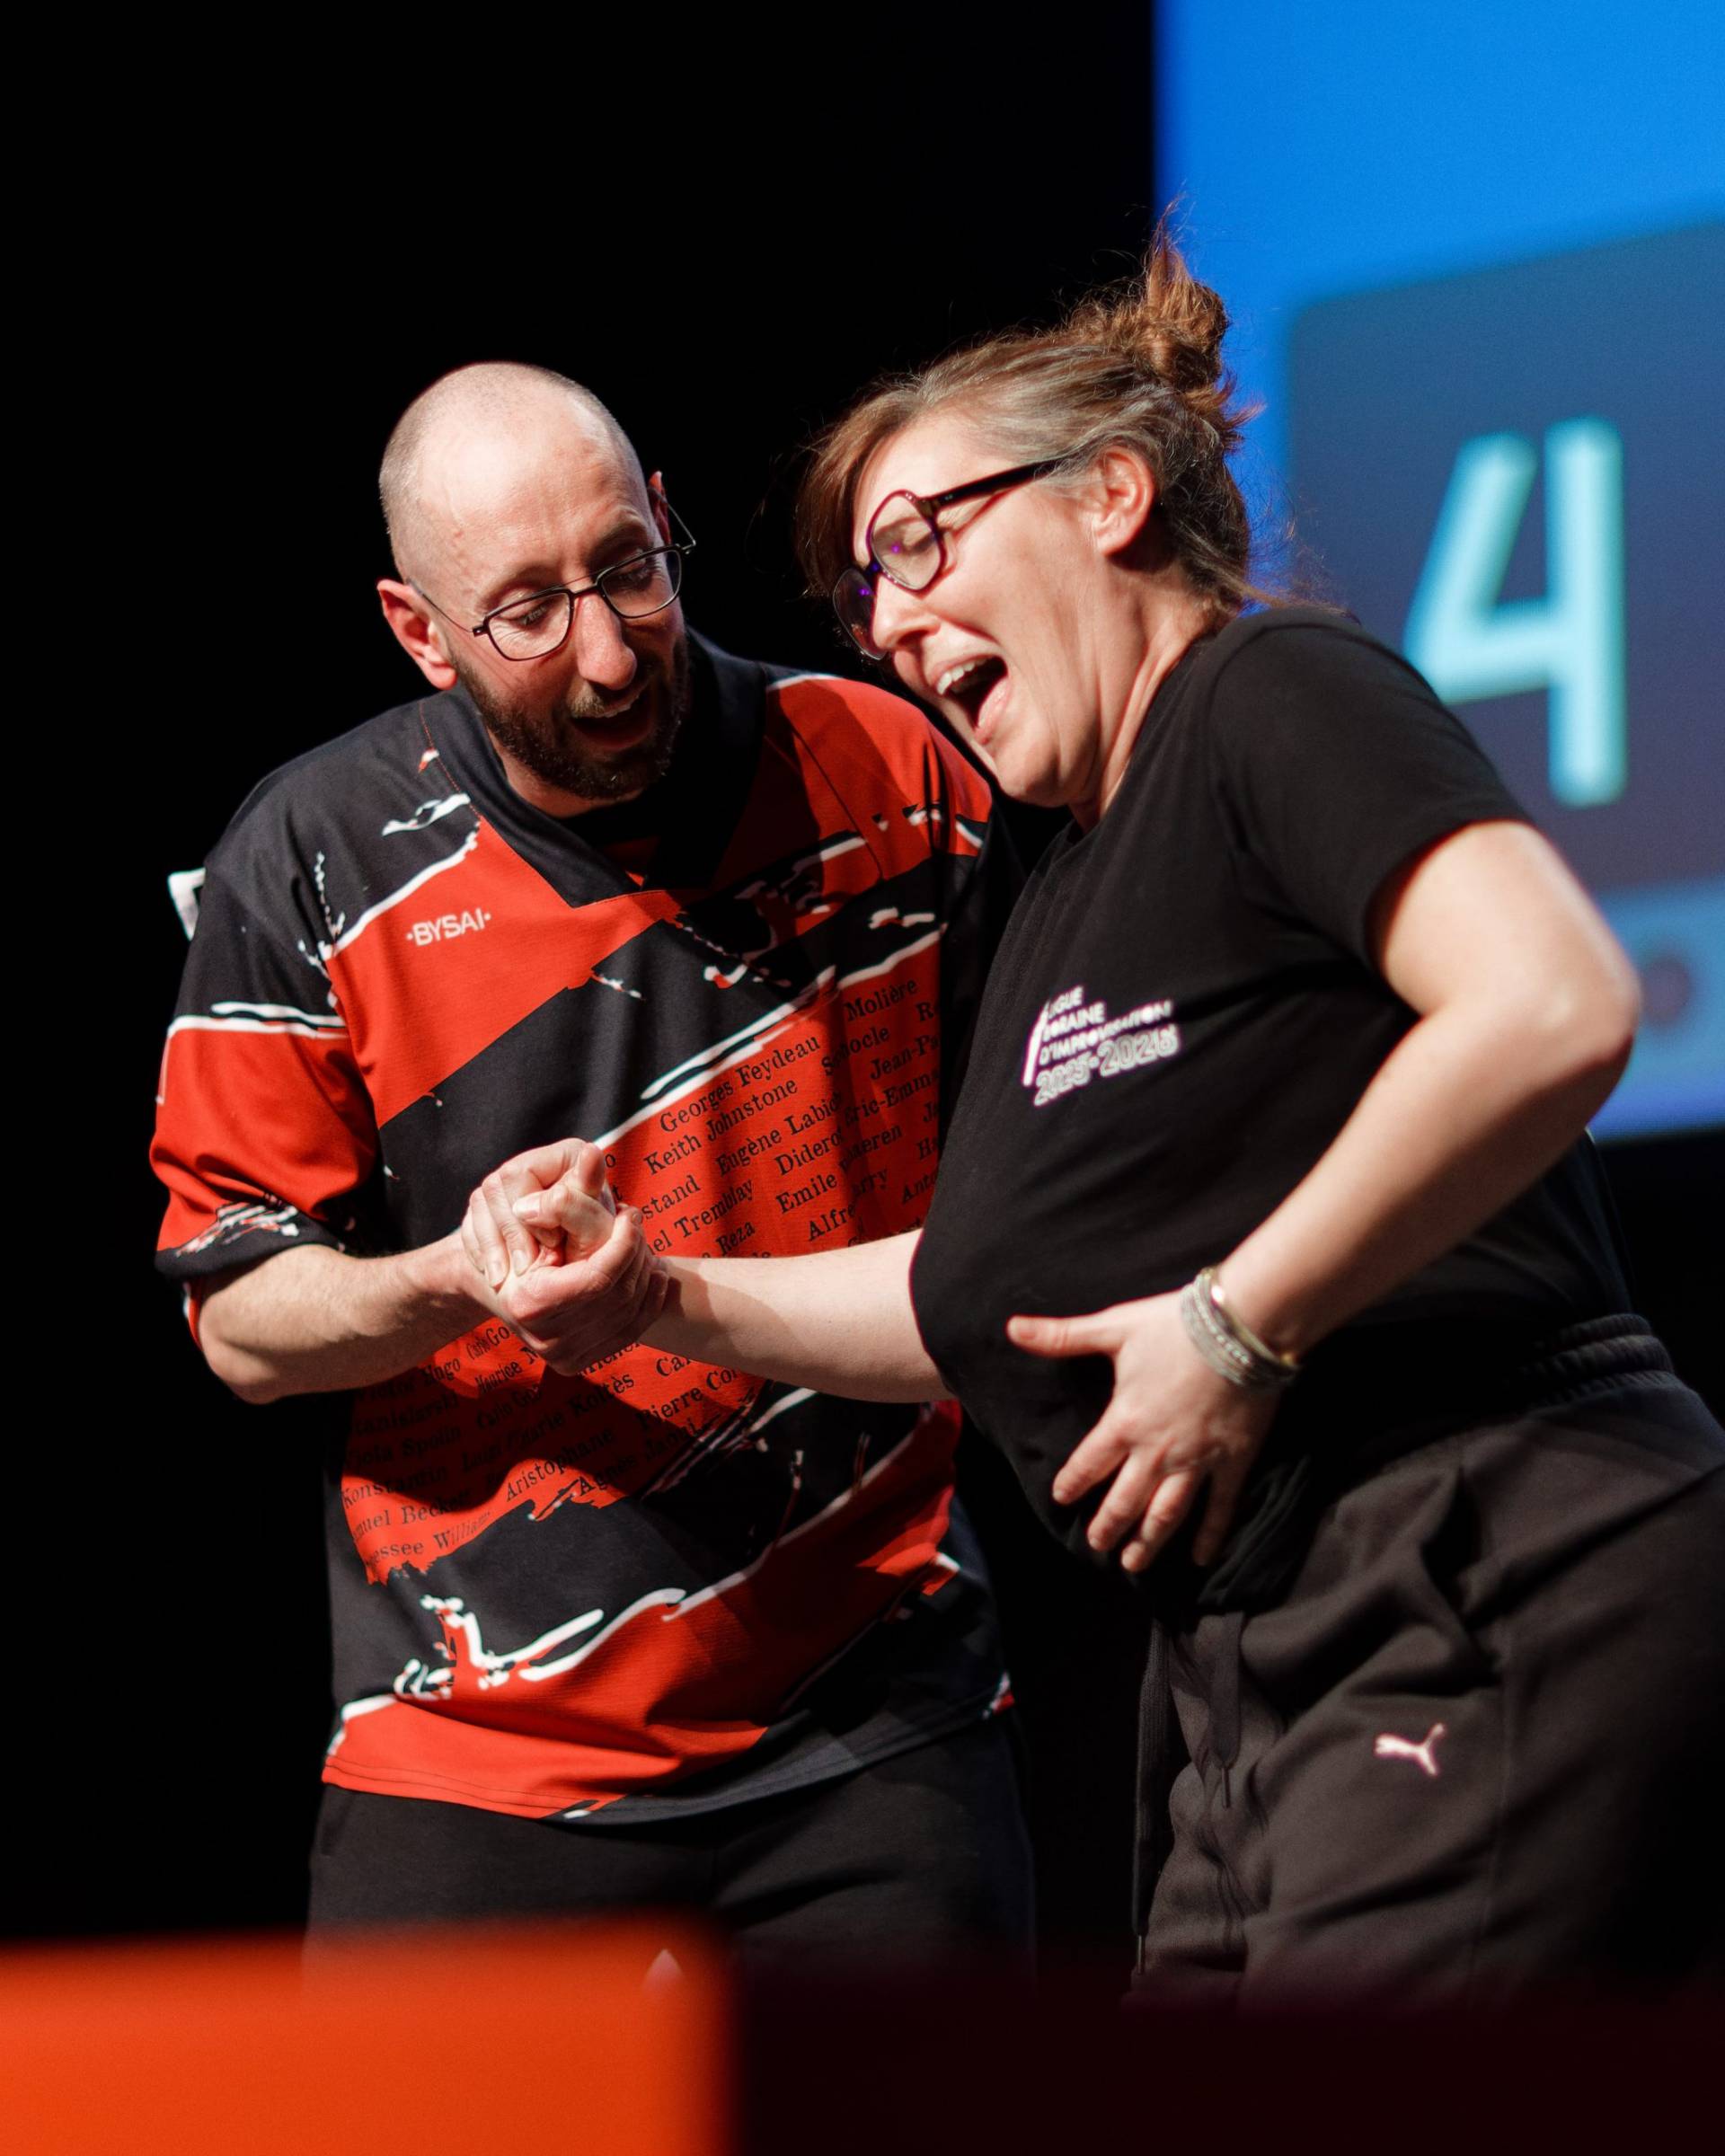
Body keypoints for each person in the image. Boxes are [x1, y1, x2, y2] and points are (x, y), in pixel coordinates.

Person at [473, 239, 1725, 2005]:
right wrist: (662, 1296)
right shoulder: (1053, 882)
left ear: (1112, 499)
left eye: (918, 542)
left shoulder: (1266, 694)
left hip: (1478, 1544)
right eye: (861, 596)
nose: (892, 621)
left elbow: (1551, 1004)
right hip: (1253, 1649)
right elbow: (978, 1297)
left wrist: (1236, 1323)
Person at [150, 362, 1032, 1963]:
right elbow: (236, 1322)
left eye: (628, 569)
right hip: (478, 1758)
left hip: (877, 1715)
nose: (615, 653)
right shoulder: (310, 856)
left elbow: (1031, 1203)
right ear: (420, 631)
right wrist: (453, 1279)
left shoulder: (882, 770)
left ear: (667, 524)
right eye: (530, 613)